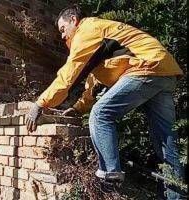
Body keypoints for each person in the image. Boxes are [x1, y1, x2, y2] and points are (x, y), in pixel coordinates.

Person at [25, 5, 184, 199]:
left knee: (100, 114)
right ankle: (176, 196)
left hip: (146, 67)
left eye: (62, 29)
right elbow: (94, 83)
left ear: (74, 20)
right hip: (165, 71)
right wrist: (78, 108)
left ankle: (110, 176)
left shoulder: (87, 29)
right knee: (165, 141)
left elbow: (68, 75)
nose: (62, 36)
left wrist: (40, 103)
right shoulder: (99, 41)